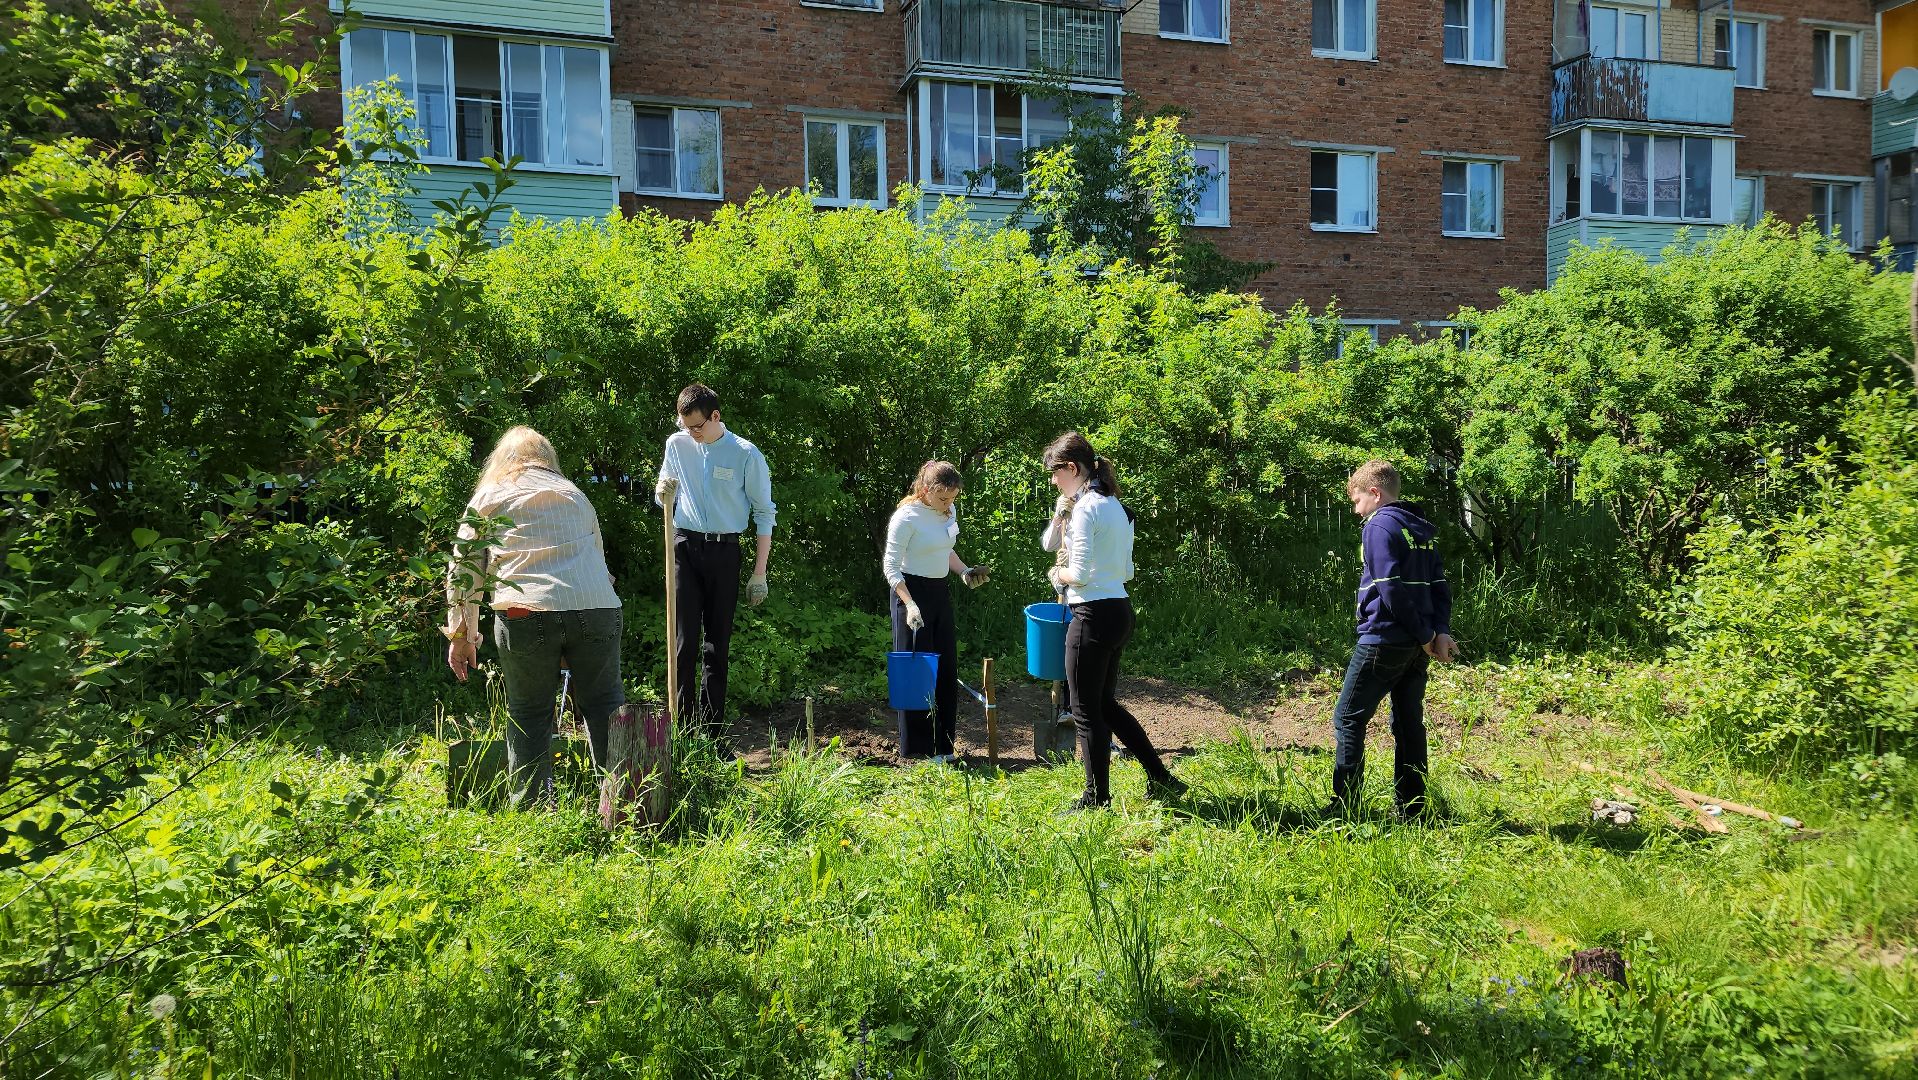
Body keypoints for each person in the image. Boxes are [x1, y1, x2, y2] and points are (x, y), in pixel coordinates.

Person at [445, 426, 625, 808]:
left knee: (528, 712)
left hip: (524, 611)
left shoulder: (490, 495)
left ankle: (532, 811)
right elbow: (599, 564)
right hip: (596, 607)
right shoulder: (575, 494)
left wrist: (462, 636)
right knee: (605, 705)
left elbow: (464, 570)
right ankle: (623, 807)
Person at [1042, 432, 1186, 810]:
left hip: (1091, 615)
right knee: (1104, 705)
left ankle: (1096, 798)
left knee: (1085, 711)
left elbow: (1079, 574)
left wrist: (1057, 575)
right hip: (1118, 611)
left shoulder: (1087, 509)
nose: (1053, 481)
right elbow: (1126, 570)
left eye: (1056, 473)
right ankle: (1162, 778)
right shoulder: (1116, 506)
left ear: (1072, 468)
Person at [1327, 459, 1457, 819]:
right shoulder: (1420, 529)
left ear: (1375, 492)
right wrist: (1438, 632)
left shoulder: (1378, 526)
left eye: (1357, 501)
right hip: (1417, 647)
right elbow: (1439, 586)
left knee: (1347, 718)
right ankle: (1413, 809)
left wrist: (1426, 634)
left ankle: (1345, 809)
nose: (1356, 510)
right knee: (1408, 723)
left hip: (1383, 639)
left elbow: (1390, 589)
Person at [654, 383, 776, 737]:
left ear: (715, 416)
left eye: (697, 426)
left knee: (716, 643)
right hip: (684, 548)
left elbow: (764, 513)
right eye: (685, 426)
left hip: (724, 551)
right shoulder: (677, 445)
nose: (691, 433)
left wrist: (759, 573)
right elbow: (664, 492)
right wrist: (661, 493)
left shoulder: (745, 454)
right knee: (683, 642)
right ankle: (683, 731)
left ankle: (712, 734)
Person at [882, 460, 990, 761]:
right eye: (943, 498)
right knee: (917, 672)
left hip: (939, 593)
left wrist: (965, 572)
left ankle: (943, 747)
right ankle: (918, 751)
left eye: (953, 498)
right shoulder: (907, 517)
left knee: (944, 669)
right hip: (910, 594)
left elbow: (945, 549)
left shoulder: (948, 510)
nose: (948, 503)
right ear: (926, 489)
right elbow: (891, 567)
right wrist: (909, 604)